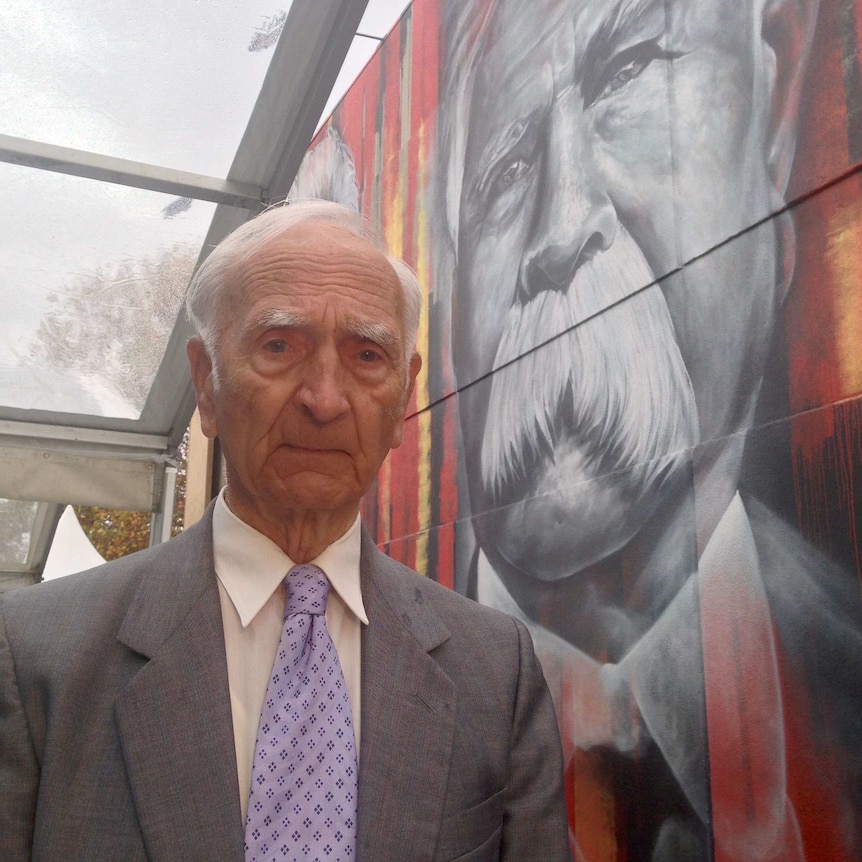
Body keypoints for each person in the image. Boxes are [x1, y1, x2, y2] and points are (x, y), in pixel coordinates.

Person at [0, 200, 572, 862]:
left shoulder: (495, 672)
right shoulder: (39, 658)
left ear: (403, 399)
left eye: (366, 353)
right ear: (207, 384)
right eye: (279, 346)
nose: (325, 400)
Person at [435, 0, 862, 859]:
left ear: (772, 141)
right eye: (506, 166)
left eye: (626, 73)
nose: (559, 230)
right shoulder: (363, 698)